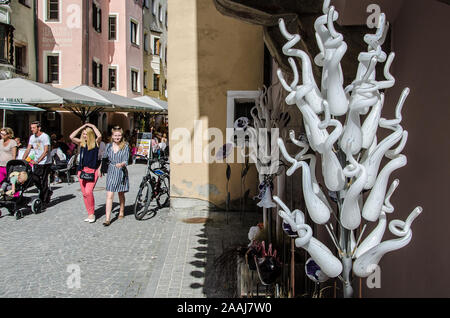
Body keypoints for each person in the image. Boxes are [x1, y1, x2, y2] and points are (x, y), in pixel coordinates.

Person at [70, 123, 102, 223]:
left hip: (92, 171)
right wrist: (82, 127)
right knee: (84, 193)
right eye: (83, 134)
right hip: (81, 170)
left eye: (86, 134)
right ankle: (89, 213)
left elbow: (100, 135)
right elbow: (71, 136)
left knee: (88, 192)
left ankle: (92, 214)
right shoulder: (82, 143)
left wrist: (92, 126)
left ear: (91, 134)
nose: (84, 136)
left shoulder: (96, 143)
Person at [102, 126, 130, 226]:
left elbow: (126, 160)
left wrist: (122, 164)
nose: (117, 137)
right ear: (112, 136)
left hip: (121, 171)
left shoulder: (125, 146)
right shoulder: (108, 146)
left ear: (121, 136)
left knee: (120, 193)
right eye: (115, 135)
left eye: (119, 135)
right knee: (109, 195)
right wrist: (100, 169)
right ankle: (107, 218)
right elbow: (104, 158)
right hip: (111, 170)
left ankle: (121, 210)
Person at [21, 121, 53, 205]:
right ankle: (46, 192)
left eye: (33, 128)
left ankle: (44, 199)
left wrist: (38, 160)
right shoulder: (32, 137)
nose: (32, 129)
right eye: (31, 128)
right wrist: (23, 159)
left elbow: (46, 150)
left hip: (45, 162)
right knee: (34, 178)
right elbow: (28, 149)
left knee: (44, 180)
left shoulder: (45, 136)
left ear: (39, 128)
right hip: (36, 162)